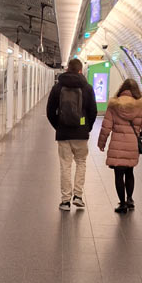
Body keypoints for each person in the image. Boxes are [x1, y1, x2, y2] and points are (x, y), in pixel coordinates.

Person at [98, 78, 142, 213]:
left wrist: (101, 143)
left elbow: (106, 127)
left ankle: (122, 204)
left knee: (118, 175)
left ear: (121, 89)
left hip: (117, 145)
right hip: (132, 146)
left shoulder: (113, 105)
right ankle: (130, 199)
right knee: (130, 172)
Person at [46, 58, 98, 210]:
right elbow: (93, 111)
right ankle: (78, 196)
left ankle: (65, 201)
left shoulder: (57, 87)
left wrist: (59, 126)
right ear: (80, 70)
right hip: (81, 133)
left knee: (65, 165)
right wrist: (87, 128)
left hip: (64, 134)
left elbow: (50, 111)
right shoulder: (87, 88)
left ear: (67, 68)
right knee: (81, 162)